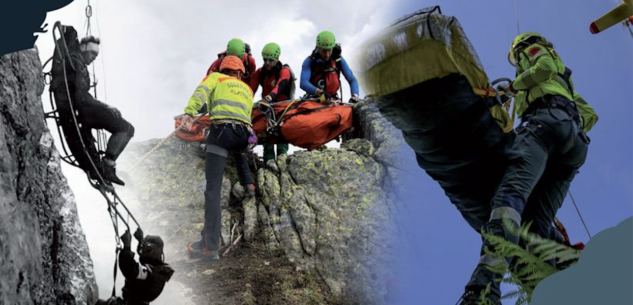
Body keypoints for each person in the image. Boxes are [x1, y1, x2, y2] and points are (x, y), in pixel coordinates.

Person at [459, 32, 598, 305]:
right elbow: (591, 115)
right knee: (535, 228)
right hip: (574, 145)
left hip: (543, 123)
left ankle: (484, 293)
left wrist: (512, 89)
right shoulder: (565, 84)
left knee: (509, 197)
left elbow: (541, 67)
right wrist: (569, 126)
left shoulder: (532, 52)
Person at [182, 56, 256, 260]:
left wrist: (189, 113)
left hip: (221, 133)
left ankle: (210, 247)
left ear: (223, 70)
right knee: (239, 152)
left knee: (213, 189)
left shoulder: (216, 78)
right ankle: (249, 184)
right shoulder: (247, 89)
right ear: (240, 73)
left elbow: (201, 93)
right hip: (242, 136)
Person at [50, 34, 135, 186]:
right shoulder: (75, 62)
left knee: (127, 128)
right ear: (82, 48)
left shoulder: (74, 62)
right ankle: (108, 165)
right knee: (125, 128)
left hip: (77, 110)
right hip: (80, 110)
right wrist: (105, 106)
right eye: (92, 53)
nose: (94, 58)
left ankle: (106, 167)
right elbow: (80, 95)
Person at [95, 229, 174, 305]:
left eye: (147, 249)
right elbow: (144, 258)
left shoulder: (150, 273)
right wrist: (140, 241)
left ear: (153, 251)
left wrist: (127, 246)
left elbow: (129, 268)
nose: (142, 251)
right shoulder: (157, 269)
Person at [249, 42, 293, 163]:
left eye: (270, 60)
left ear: (277, 59)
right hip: (266, 108)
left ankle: (282, 159)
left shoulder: (284, 71)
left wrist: (269, 97)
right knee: (266, 134)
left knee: (282, 135)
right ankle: (268, 162)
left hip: (282, 108)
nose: (267, 63)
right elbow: (250, 90)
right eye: (265, 60)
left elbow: (281, 85)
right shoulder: (260, 72)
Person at [300, 30, 360, 103]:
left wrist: (355, 95)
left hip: (334, 99)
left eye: (329, 50)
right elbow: (303, 82)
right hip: (314, 98)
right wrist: (319, 92)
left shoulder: (338, 60)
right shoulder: (310, 61)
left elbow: (352, 79)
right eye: (324, 51)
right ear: (317, 48)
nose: (327, 54)